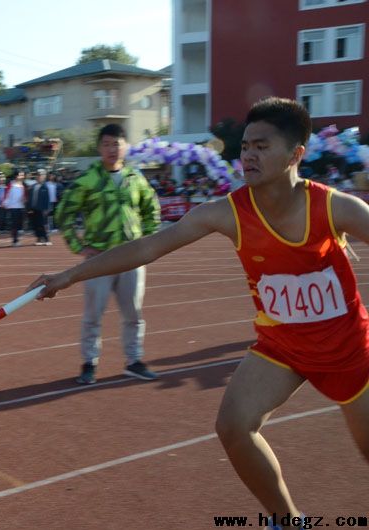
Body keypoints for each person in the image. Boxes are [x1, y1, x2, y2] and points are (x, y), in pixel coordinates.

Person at [31, 97, 369, 528]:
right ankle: (288, 521)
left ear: (296, 154)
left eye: (262, 146)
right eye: (245, 145)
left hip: (349, 351)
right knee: (233, 427)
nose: (248, 154)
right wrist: (69, 275)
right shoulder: (227, 213)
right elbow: (147, 246)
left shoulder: (336, 207)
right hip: (282, 347)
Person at [55, 123, 161, 385]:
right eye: (107, 144)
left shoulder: (136, 179)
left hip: (131, 257)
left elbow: (152, 209)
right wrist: (80, 247)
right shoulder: (87, 180)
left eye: (117, 144)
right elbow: (63, 214)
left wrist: (146, 242)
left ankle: (133, 361)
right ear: (99, 147)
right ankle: (89, 363)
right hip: (99, 259)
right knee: (93, 314)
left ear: (125, 147)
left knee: (133, 314)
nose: (112, 149)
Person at [1, 170, 26, 246]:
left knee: (19, 224)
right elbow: (6, 194)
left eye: (22, 175)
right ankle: (15, 240)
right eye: (20, 175)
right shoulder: (11, 184)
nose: (22, 177)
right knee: (14, 224)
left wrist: (24, 199)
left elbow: (24, 196)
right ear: (16, 176)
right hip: (13, 207)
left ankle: (16, 238)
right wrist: (4, 203)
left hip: (21, 206)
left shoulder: (22, 185)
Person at [28, 169, 52, 246]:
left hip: (42, 209)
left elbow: (47, 199)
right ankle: (39, 238)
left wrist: (47, 209)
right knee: (35, 224)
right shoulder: (33, 186)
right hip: (34, 208)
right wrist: (29, 208)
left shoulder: (45, 187)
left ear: (44, 177)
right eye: (38, 175)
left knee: (43, 224)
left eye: (41, 175)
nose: (39, 177)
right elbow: (30, 198)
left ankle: (46, 239)